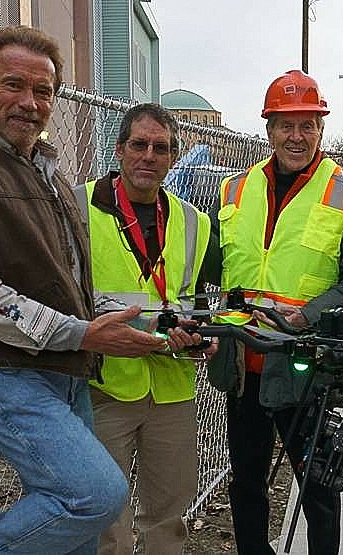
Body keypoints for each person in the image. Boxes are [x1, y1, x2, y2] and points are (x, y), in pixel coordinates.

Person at [0, 26, 175, 555]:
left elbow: (69, 287)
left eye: (44, 91)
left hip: (61, 369)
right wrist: (81, 334)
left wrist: (155, 322)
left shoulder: (49, 176)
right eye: (14, 86)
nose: (29, 103)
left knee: (72, 534)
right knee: (95, 496)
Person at [204, 69, 343, 555]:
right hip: (245, 364)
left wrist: (309, 316)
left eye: (308, 125)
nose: (296, 136)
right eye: (286, 125)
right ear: (269, 130)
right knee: (246, 482)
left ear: (321, 130)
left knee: (318, 486)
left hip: (308, 368)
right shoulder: (235, 191)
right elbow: (210, 269)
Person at [73, 103, 211, 555]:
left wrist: (198, 335)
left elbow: (198, 301)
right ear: (119, 150)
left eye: (161, 148)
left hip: (172, 386)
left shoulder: (195, 223)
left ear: (173, 157)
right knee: (106, 516)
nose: (149, 156)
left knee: (169, 515)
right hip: (106, 384)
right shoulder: (77, 206)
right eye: (139, 145)